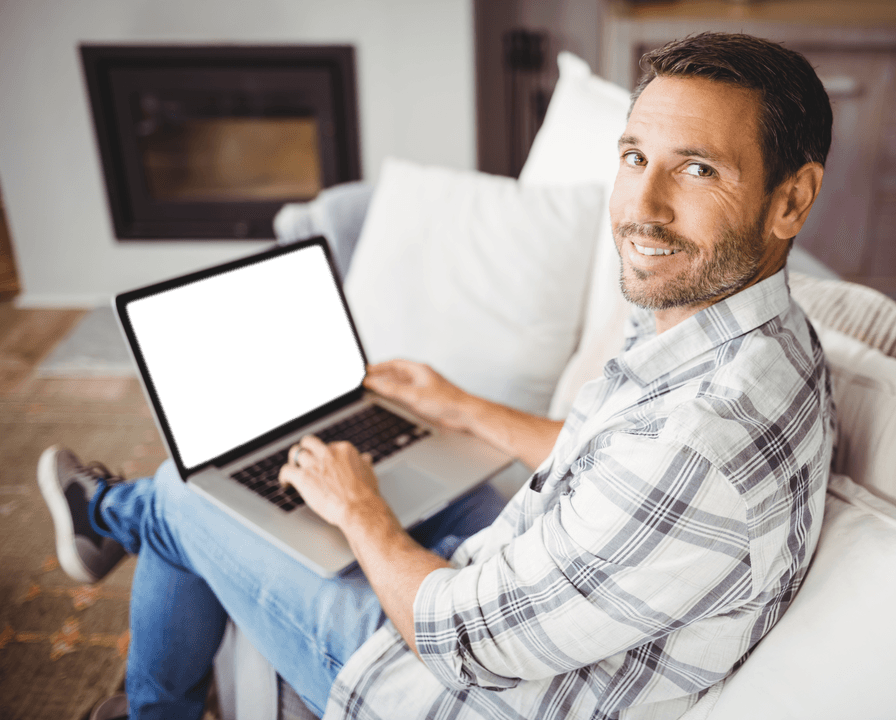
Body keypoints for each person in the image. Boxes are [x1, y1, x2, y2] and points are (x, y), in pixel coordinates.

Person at [38, 32, 835, 720]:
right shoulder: (754, 337)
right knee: (254, 479)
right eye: (634, 157)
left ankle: (112, 521)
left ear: (790, 199)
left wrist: (362, 512)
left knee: (192, 487)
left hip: (449, 687)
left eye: (697, 170)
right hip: (524, 581)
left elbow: (463, 640)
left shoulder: (700, 440)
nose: (643, 206)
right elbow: (611, 457)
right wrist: (458, 407)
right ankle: (113, 523)